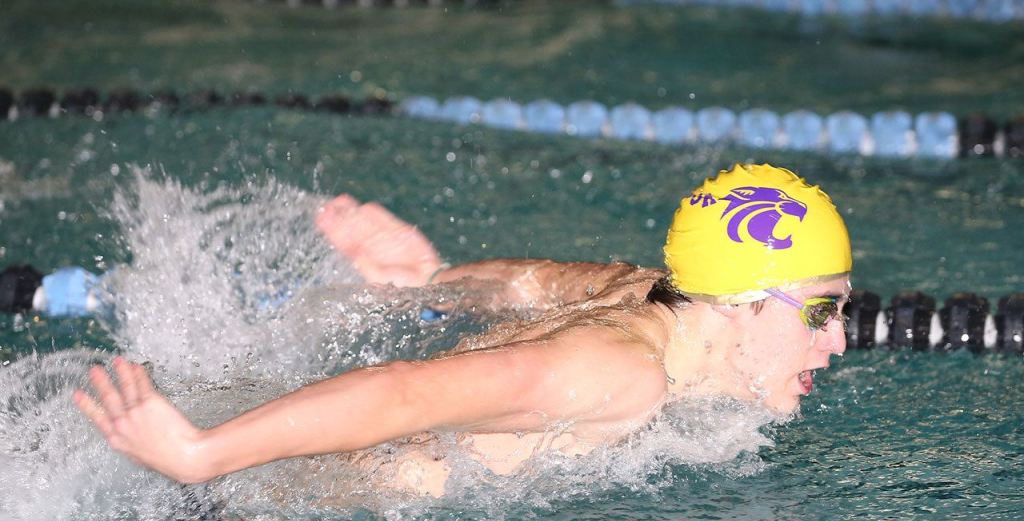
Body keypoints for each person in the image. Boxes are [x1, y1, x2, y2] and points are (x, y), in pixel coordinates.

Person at [73, 163, 852, 498]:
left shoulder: (645, 294)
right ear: (737, 301)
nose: (839, 341)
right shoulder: (619, 376)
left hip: (253, 442)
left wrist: (431, 285)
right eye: (822, 311)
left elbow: (524, 281)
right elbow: (404, 392)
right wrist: (201, 456)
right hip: (231, 506)